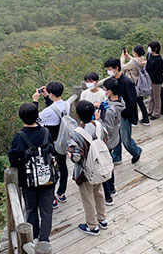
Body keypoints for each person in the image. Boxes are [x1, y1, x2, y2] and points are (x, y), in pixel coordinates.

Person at [8, 103, 55, 242]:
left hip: (29, 181)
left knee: (31, 209)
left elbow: (13, 156)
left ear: (21, 118)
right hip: (47, 178)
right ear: (37, 116)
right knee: (47, 212)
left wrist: (16, 167)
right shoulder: (46, 132)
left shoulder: (19, 136)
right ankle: (44, 239)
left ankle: (33, 237)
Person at [68, 100, 108, 235]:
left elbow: (77, 157)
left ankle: (92, 226)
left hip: (85, 172)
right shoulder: (99, 126)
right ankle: (102, 219)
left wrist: (70, 154)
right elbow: (105, 139)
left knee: (88, 197)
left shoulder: (77, 133)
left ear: (78, 115)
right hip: (99, 167)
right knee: (99, 192)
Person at [32, 81, 68, 209]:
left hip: (51, 143)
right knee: (63, 166)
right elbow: (56, 110)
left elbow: (33, 118)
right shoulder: (66, 104)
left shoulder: (47, 112)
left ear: (52, 93)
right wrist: (47, 97)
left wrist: (35, 102)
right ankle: (61, 193)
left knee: (51, 169)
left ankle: (52, 198)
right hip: (62, 140)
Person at [104, 57, 142, 164]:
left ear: (116, 68)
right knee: (116, 137)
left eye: (110, 69)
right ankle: (116, 157)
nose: (108, 71)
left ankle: (136, 151)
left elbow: (132, 101)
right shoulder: (112, 81)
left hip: (124, 115)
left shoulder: (126, 82)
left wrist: (125, 113)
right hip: (115, 114)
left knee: (126, 140)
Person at [100, 77, 125, 206]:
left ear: (109, 91)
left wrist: (98, 119)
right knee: (109, 165)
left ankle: (108, 196)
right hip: (115, 138)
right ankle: (113, 188)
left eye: (105, 89)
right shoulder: (119, 101)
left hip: (108, 141)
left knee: (104, 168)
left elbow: (107, 129)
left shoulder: (110, 110)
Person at [121, 45, 150, 126]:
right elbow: (135, 61)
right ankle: (146, 119)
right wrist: (128, 56)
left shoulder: (133, 62)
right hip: (139, 84)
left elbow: (124, 67)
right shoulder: (143, 59)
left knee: (133, 102)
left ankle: (134, 121)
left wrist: (122, 59)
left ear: (135, 52)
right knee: (140, 102)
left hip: (133, 84)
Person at [146, 41, 163, 120]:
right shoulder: (149, 55)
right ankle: (150, 110)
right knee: (151, 96)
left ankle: (156, 113)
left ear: (155, 48)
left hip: (157, 80)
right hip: (149, 79)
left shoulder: (159, 58)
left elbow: (160, 70)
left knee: (156, 97)